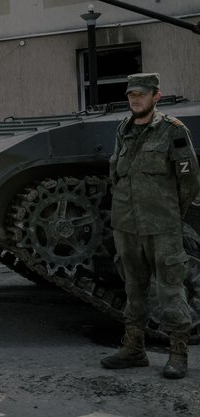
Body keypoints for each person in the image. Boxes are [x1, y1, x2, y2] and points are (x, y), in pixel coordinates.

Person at [101, 73, 200, 379]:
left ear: (156, 96)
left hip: (162, 226)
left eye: (141, 95)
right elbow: (116, 175)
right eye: (131, 94)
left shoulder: (173, 131)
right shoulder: (124, 130)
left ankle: (178, 353)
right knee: (133, 289)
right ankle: (134, 349)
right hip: (127, 225)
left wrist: (169, 214)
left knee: (170, 289)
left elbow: (189, 180)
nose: (135, 99)